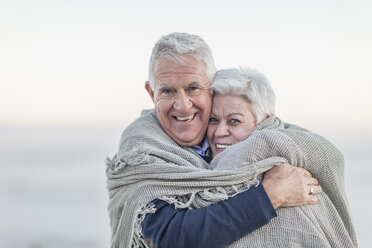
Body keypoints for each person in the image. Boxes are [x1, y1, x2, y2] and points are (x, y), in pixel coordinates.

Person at [106, 33, 320, 248]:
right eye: (167, 91)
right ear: (151, 93)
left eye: (193, 88)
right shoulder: (141, 149)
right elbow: (172, 237)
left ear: (211, 86)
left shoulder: (253, 139)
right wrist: (271, 195)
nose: (183, 105)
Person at [204, 67, 358, 247]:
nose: (219, 132)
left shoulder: (290, 178)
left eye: (235, 121)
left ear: (263, 121)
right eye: (213, 120)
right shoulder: (197, 167)